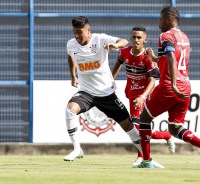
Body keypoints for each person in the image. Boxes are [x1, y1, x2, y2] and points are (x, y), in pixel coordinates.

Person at [64, 16, 163, 167]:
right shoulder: (71, 44)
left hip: (106, 94)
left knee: (129, 127)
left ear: (88, 31)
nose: (77, 35)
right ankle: (77, 149)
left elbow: (123, 41)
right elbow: (71, 57)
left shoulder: (100, 39)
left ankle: (147, 158)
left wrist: (115, 46)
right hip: (86, 92)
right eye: (74, 32)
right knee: (70, 110)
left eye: (80, 32)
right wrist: (73, 75)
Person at [135, 6, 200, 168]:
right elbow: (173, 59)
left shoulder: (166, 35)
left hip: (170, 88)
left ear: (170, 19)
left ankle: (147, 161)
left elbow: (171, 57)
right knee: (174, 128)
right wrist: (154, 58)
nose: (159, 22)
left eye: (161, 19)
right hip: (185, 87)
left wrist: (172, 84)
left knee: (144, 119)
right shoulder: (184, 37)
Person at [112, 26, 175, 166]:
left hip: (145, 95)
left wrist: (143, 96)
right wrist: (111, 82)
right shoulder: (124, 52)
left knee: (136, 127)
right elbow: (117, 65)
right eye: (134, 37)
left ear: (145, 40)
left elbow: (153, 81)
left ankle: (142, 157)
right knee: (137, 129)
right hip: (131, 94)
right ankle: (165, 135)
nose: (136, 40)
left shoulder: (147, 57)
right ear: (130, 38)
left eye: (139, 37)